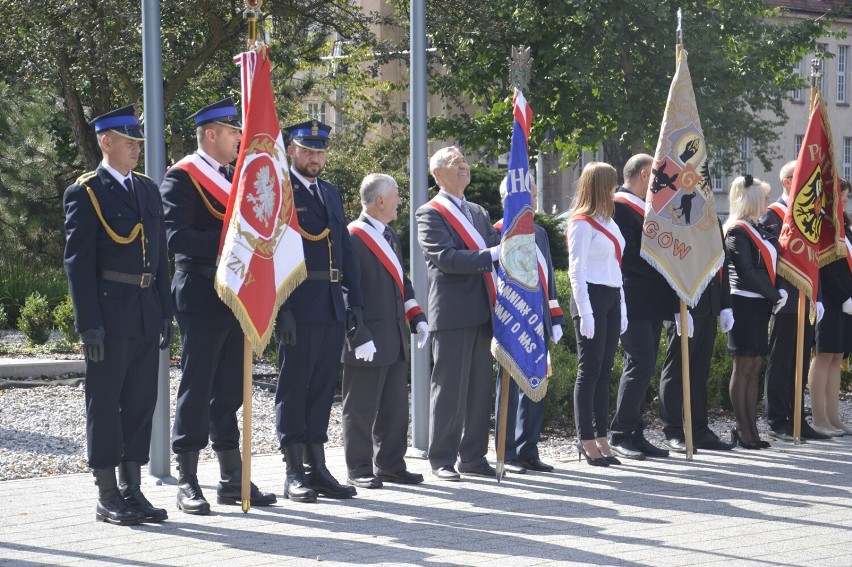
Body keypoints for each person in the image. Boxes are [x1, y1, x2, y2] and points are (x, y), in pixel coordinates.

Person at [159, 98, 276, 514]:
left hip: (236, 292)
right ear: (210, 134)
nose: (239, 139)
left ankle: (231, 477)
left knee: (230, 387)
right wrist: (232, 242)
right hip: (201, 291)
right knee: (198, 384)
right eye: (231, 133)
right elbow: (176, 239)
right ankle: (187, 477)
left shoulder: (236, 180)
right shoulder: (182, 178)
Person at [63, 104, 172, 525]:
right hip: (109, 314)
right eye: (129, 142)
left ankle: (132, 488)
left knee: (140, 402)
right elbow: (78, 262)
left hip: (144, 311)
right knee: (106, 404)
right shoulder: (87, 191)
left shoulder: (145, 189)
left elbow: (160, 255)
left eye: (139, 143)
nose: (136, 149)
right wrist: (88, 324)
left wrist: (165, 309)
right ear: (105, 142)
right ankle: (107, 492)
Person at [274, 120, 362, 502]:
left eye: (319, 150)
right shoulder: (280, 192)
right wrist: (282, 309)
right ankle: (293, 470)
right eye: (306, 150)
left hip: (330, 303)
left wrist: (354, 300)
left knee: (323, 388)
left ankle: (318, 468)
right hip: (299, 301)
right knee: (294, 388)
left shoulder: (329, 192)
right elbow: (273, 254)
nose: (314, 157)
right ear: (291, 151)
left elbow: (345, 250)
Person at [415, 146, 501, 481]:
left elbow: (496, 248)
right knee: (449, 389)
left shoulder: (478, 211)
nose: (463, 164)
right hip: (451, 313)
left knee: (480, 389)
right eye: (455, 162)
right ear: (437, 173)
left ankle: (473, 456)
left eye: (465, 160)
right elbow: (445, 258)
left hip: (483, 311)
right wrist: (491, 254)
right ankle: (442, 459)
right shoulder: (430, 214)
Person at [341, 173, 429, 488]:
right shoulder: (352, 236)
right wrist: (356, 333)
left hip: (393, 335)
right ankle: (359, 467)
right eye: (395, 196)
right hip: (366, 337)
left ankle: (390, 464)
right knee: (361, 407)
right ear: (380, 201)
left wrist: (416, 315)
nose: (399, 202)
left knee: (395, 407)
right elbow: (346, 289)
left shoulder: (389, 234)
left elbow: (400, 280)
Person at [494, 178, 564, 473]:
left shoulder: (540, 232)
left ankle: (528, 449)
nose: (534, 200)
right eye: (529, 195)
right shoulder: (498, 231)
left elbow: (547, 277)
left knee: (537, 381)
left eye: (535, 194)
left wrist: (556, 317)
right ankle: (507, 450)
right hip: (512, 319)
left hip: (538, 320)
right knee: (509, 384)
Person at [609, 153, 673, 460]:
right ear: (645, 175)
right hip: (631, 298)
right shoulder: (620, 207)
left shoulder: (647, 209)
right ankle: (620, 433)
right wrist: (665, 267)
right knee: (640, 362)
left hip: (651, 301)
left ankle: (635, 432)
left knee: (646, 365)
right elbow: (629, 255)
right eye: (658, 175)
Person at [760, 161, 829, 442]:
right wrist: (777, 291)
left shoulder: (809, 215)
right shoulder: (772, 216)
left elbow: (815, 262)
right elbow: (768, 259)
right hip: (786, 299)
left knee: (799, 361)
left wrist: (818, 296)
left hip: (806, 299)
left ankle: (797, 417)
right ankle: (777, 419)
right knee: (780, 361)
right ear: (788, 182)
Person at [566, 162, 626, 467]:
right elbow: (575, 270)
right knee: (588, 371)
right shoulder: (581, 222)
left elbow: (617, 267)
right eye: (612, 184)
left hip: (612, 296)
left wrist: (623, 307)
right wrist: (585, 311)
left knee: (605, 371)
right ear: (601, 186)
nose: (615, 190)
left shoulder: (610, 222)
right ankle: (585, 437)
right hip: (590, 296)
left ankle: (602, 435)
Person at [659, 223, 735, 453]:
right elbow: (671, 265)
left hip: (709, 302)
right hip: (685, 304)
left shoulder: (711, 218)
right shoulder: (675, 217)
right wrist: (676, 308)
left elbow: (721, 262)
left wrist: (725, 305)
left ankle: (699, 429)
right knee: (676, 368)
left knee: (700, 370)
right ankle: (672, 430)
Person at [723, 175, 784, 449]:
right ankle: (742, 428)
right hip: (744, 304)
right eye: (764, 198)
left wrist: (775, 294)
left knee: (755, 365)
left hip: (760, 305)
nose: (767, 203)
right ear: (752, 201)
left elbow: (773, 264)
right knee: (743, 365)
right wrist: (774, 295)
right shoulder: (737, 231)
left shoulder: (759, 229)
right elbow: (746, 272)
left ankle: (752, 429)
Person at [808, 178, 852, 436]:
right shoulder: (824, 225)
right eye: (841, 195)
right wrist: (844, 296)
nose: (845, 199)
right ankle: (819, 418)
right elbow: (825, 267)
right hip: (830, 301)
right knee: (823, 356)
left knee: (837, 357)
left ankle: (833, 417)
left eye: (846, 195)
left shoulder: (844, 225)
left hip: (846, 302)